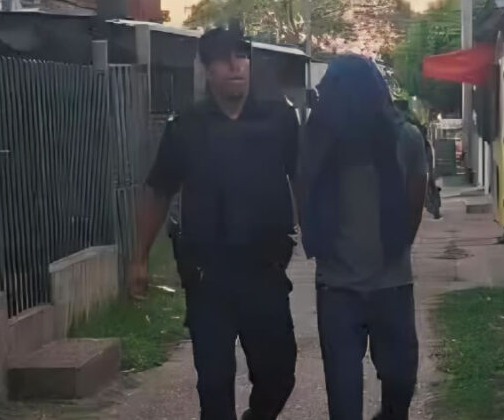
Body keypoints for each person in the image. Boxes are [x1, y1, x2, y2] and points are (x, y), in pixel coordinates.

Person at [130, 26, 299, 420]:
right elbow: (159, 191)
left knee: (278, 376)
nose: (235, 65)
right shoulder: (186, 127)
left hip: (265, 271)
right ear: (207, 70)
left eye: (241, 56)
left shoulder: (279, 121)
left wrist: (320, 238)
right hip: (208, 277)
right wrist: (139, 258)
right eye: (223, 59)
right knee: (214, 384)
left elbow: (302, 179)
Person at [298, 55, 427, 420]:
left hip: (392, 284)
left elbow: (413, 205)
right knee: (343, 396)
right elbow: (303, 195)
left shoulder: (405, 138)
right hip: (338, 288)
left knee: (401, 383)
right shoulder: (317, 141)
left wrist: (394, 252)